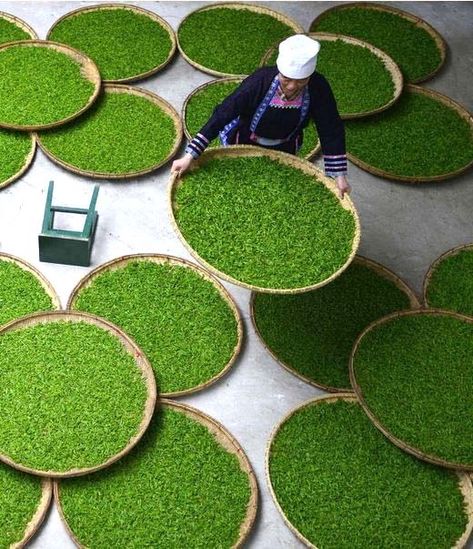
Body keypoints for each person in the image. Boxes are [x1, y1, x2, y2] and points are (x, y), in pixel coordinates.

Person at [172, 34, 351, 198]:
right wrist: (190, 155)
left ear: (310, 76)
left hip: (286, 145)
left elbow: (331, 128)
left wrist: (339, 176)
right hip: (244, 139)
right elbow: (224, 113)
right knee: (236, 184)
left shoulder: (318, 87)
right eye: (287, 78)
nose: (291, 86)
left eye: (301, 81)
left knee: (271, 190)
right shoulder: (259, 81)